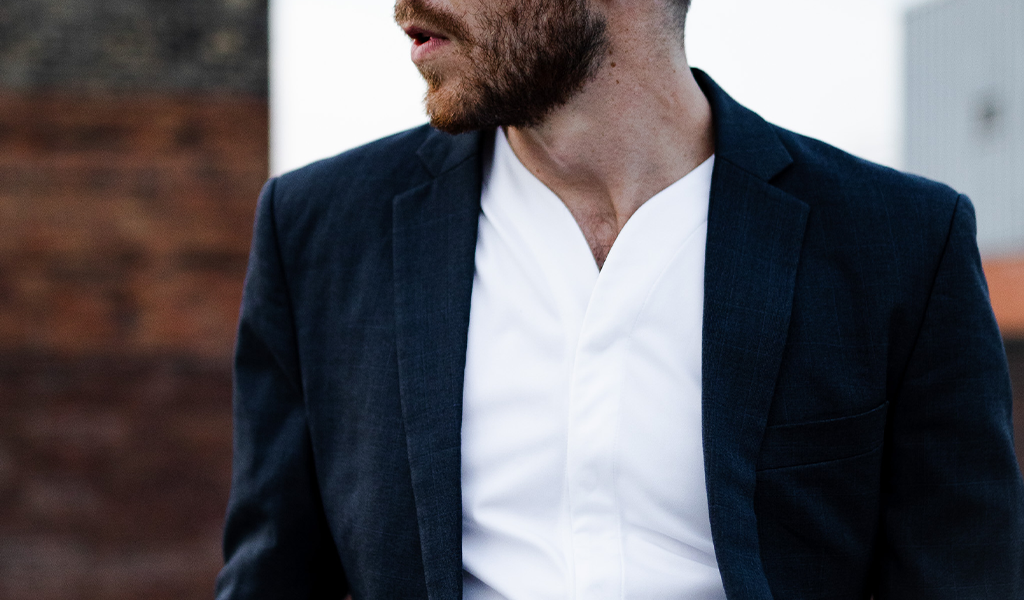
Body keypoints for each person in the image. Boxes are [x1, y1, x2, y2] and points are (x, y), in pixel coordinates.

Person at [215, 0, 1024, 598]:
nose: (401, 6)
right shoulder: (318, 231)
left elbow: (962, 577)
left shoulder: (900, 245)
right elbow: (273, 578)